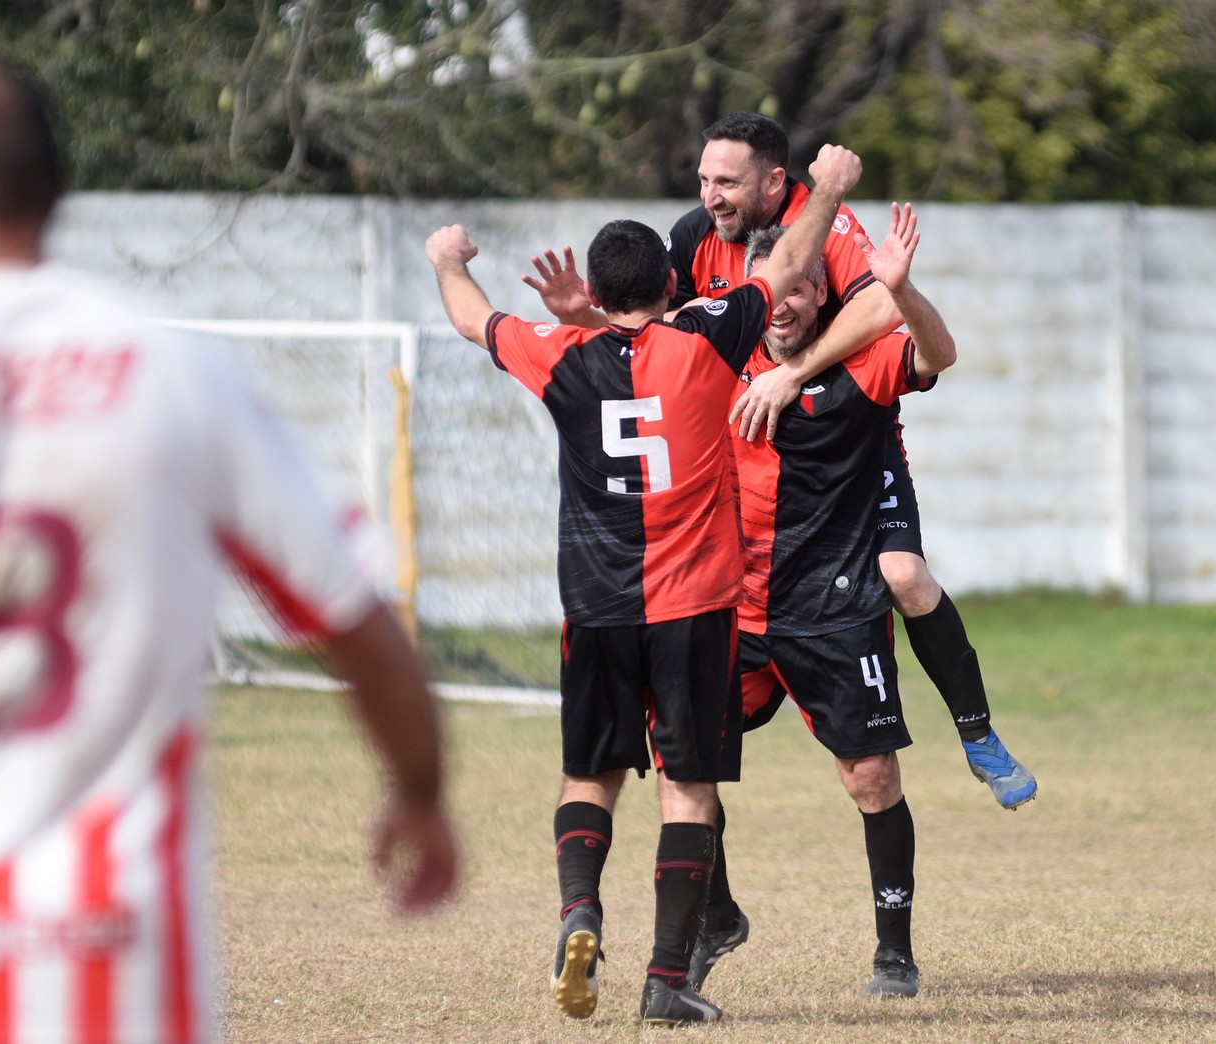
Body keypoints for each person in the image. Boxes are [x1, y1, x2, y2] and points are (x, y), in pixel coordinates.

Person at [0, 48, 456, 1044]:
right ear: (58, 193)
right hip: (123, 967)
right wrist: (418, 793)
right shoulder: (172, 373)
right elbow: (353, 617)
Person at [424, 142, 864, 1027]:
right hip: (694, 609)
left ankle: (579, 911)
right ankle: (667, 982)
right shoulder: (705, 337)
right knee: (687, 789)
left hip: (595, 608)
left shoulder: (560, 356)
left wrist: (446, 260)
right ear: (672, 280)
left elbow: (475, 320)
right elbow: (783, 268)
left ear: (592, 290)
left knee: (588, 779)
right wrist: (830, 193)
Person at [526, 112, 1037, 816]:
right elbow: (658, 334)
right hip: (748, 430)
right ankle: (710, 901)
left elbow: (886, 309)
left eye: (726, 182)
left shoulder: (827, 223)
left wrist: (790, 374)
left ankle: (977, 735)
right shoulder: (694, 236)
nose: (710, 195)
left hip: (848, 421)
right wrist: (587, 322)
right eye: (703, 179)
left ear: (773, 182)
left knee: (902, 573)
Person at [694, 202, 953, 999]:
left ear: (822, 294)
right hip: (735, 609)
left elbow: (936, 353)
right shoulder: (711, 357)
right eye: (772, 289)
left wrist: (903, 290)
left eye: (803, 289)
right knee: (684, 759)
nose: (785, 304)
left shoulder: (860, 363)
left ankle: (893, 954)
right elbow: (628, 353)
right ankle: (716, 915)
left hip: (833, 610)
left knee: (870, 778)